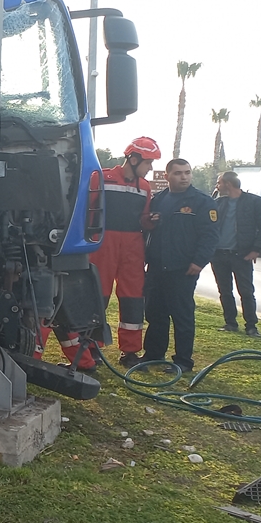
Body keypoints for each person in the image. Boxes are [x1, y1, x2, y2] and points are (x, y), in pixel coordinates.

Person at [141, 158, 219, 373]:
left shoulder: (201, 201)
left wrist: (199, 262)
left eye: (187, 172)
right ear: (167, 176)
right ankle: (154, 354)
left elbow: (210, 236)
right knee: (155, 313)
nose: (184, 177)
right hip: (157, 267)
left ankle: (183, 361)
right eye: (178, 173)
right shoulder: (158, 200)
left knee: (182, 316)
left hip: (182, 268)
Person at [97, 138, 160, 368]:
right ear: (133, 159)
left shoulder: (144, 187)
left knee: (133, 298)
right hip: (104, 244)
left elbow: (143, 218)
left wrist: (150, 221)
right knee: (97, 295)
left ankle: (130, 351)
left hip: (133, 245)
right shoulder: (101, 177)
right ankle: (92, 347)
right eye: (148, 163)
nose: (150, 168)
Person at [211, 171, 261, 337]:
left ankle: (251, 326)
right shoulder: (218, 203)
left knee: (246, 291)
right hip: (219, 255)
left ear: (228, 184)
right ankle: (230, 323)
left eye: (219, 182)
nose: (217, 186)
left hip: (242, 255)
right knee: (224, 290)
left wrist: (255, 250)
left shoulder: (254, 202)